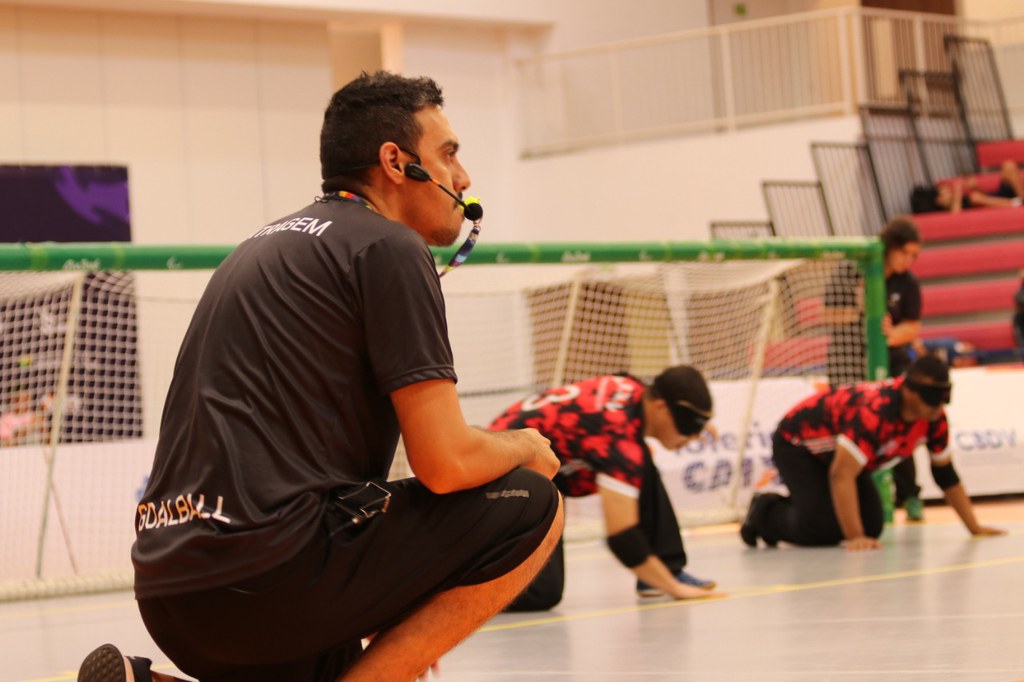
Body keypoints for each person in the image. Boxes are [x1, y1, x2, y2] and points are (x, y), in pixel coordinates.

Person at [77, 71, 564, 682]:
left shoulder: (259, 246)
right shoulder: (388, 247)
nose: (463, 179)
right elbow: (446, 463)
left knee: (318, 664)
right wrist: (525, 443)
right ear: (396, 161)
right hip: (271, 579)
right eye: (449, 154)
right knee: (532, 501)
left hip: (170, 591)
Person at [488, 366, 721, 610]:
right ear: (662, 407)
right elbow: (622, 537)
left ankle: (665, 571)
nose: (693, 438)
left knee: (642, 465)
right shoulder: (619, 438)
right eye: (689, 427)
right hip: (500, 478)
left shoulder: (634, 390)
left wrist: (695, 425)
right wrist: (676, 591)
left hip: (531, 464)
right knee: (542, 593)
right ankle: (460, 586)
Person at [739, 355, 1006, 551]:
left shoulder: (933, 418)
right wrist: (855, 538)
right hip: (797, 444)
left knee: (872, 525)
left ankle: (798, 510)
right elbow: (841, 475)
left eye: (943, 399)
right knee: (824, 527)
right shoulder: (876, 412)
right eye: (932, 399)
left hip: (837, 455)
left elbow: (945, 474)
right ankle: (765, 513)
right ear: (909, 391)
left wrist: (975, 528)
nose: (938, 407)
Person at [878, 217, 927, 522]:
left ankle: (909, 495)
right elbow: (826, 312)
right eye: (905, 253)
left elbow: (913, 326)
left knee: (901, 428)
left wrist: (890, 334)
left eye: (915, 255)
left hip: (894, 362)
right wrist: (863, 313)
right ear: (890, 248)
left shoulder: (908, 283)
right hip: (853, 359)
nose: (910, 261)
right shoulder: (853, 270)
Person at [933, 160, 1024, 213]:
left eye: (949, 190)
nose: (950, 192)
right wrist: (957, 193)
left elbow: (987, 195)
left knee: (1008, 166)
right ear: (939, 200)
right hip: (999, 202)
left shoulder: (964, 196)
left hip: (996, 196)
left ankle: (1022, 198)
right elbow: (955, 215)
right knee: (975, 197)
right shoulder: (952, 206)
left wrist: (976, 187)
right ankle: (1017, 203)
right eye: (945, 192)